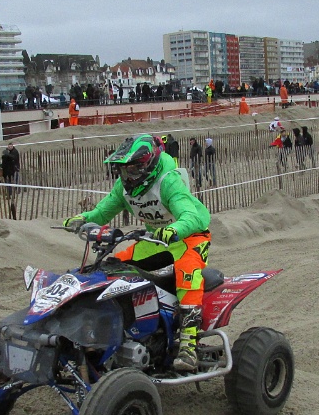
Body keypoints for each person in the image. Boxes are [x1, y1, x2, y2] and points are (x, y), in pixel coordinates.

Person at [62, 134, 211, 372]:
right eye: (123, 170)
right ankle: (105, 330)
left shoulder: (168, 181)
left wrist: (174, 229)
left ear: (148, 164)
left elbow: (192, 216)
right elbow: (101, 213)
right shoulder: (124, 187)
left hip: (188, 237)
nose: (127, 176)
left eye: (133, 170)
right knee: (111, 267)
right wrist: (83, 219)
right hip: (154, 239)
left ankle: (188, 346)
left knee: (188, 273)